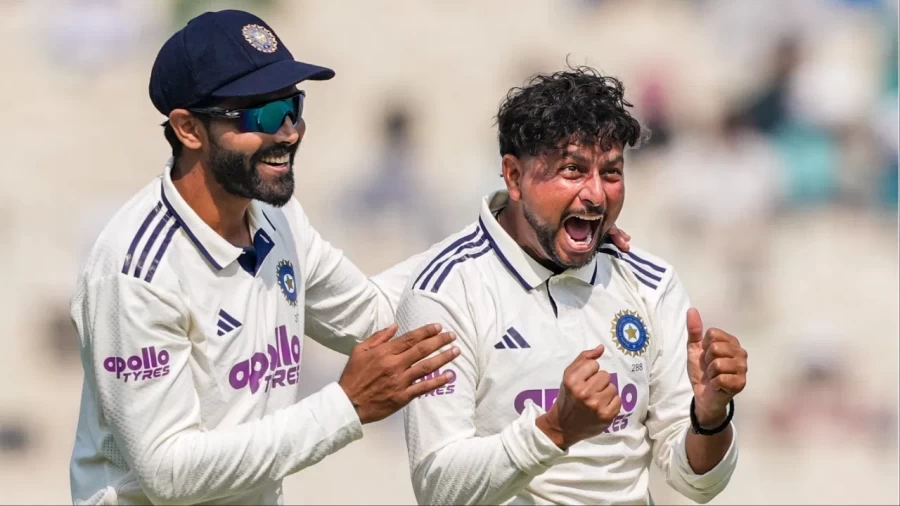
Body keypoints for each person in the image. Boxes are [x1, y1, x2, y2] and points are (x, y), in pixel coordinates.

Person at [67, 10, 464, 505]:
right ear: (188, 129)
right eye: (263, 115)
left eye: (292, 106)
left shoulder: (277, 218)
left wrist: (501, 231)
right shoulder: (136, 272)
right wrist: (345, 407)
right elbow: (168, 473)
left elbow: (378, 317)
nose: (289, 132)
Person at [396, 66, 750, 505]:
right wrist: (556, 429)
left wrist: (710, 418)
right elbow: (439, 489)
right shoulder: (447, 291)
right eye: (572, 170)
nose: (596, 194)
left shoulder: (650, 283)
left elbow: (696, 482)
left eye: (612, 172)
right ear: (514, 177)